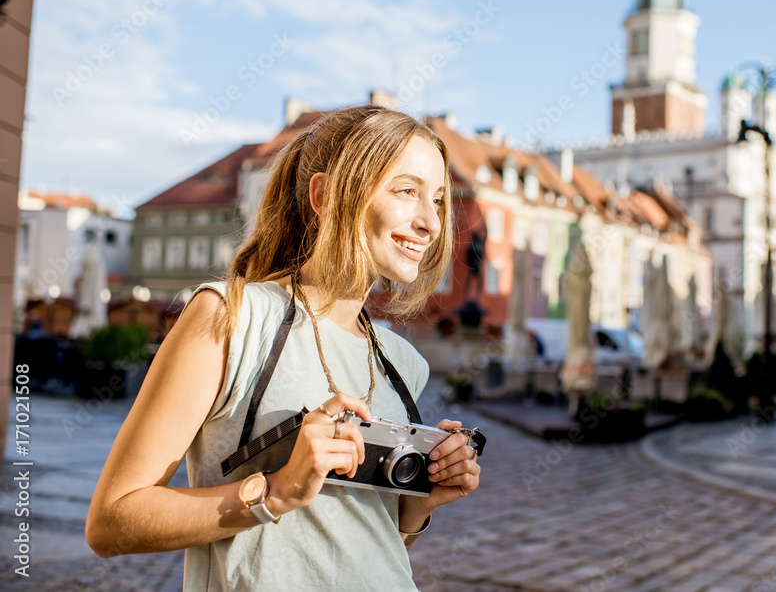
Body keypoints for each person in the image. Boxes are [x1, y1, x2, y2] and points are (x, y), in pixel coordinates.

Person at [85, 106, 482, 590]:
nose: (431, 223)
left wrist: (419, 505)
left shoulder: (403, 364)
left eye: (438, 200)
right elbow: (111, 522)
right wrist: (275, 492)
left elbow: (364, 549)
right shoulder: (229, 317)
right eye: (406, 191)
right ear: (327, 195)